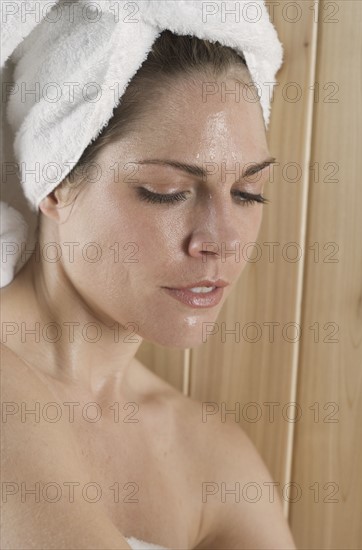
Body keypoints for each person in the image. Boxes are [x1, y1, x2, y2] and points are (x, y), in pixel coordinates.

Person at [1, 30, 297, 550]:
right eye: (168, 192)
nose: (222, 242)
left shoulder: (210, 455)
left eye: (249, 193)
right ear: (55, 179)